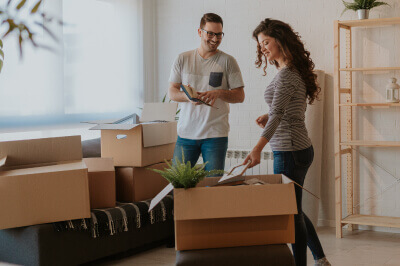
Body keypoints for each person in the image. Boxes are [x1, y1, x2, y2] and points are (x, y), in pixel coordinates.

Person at [243, 19, 331, 266]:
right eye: (260, 44)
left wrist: (257, 149)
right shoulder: (288, 71)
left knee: (290, 213)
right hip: (294, 148)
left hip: (290, 151)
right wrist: (267, 114)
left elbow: (280, 114)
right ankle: (321, 260)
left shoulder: (287, 75)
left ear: (280, 40)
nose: (263, 48)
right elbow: (283, 110)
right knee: (295, 210)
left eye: (266, 42)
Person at [168, 13, 245, 172]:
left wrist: (219, 93)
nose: (215, 39)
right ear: (199, 32)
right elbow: (172, 92)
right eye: (210, 33)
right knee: (178, 183)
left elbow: (239, 96)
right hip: (186, 135)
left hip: (215, 135)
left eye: (219, 34)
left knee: (212, 187)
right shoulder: (183, 58)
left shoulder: (228, 61)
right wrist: (187, 97)